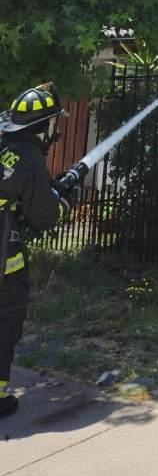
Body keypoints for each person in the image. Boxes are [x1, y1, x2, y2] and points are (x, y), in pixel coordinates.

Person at [0, 83, 71, 418]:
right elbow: (44, 216)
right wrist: (63, 203)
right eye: (55, 122)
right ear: (43, 127)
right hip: (5, 263)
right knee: (6, 318)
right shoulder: (28, 158)